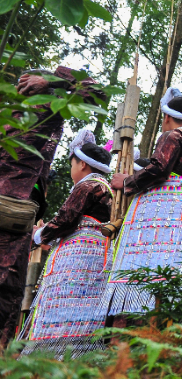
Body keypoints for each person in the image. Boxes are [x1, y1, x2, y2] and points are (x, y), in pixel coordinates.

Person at [0, 67, 103, 346]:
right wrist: (51, 81)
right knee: (7, 290)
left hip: (16, 214)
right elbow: (94, 90)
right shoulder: (42, 111)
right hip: (12, 212)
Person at [105, 89, 182, 320]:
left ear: (167, 117)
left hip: (164, 218)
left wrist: (127, 181)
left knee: (145, 274)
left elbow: (159, 169)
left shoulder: (173, 135)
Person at [19, 129, 113, 357]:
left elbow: (66, 218)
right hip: (96, 253)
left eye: (72, 163)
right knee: (84, 305)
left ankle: (53, 356)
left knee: (64, 304)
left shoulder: (87, 186)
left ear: (82, 164)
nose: (71, 169)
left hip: (78, 258)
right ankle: (78, 354)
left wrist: (39, 234)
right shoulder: (106, 188)